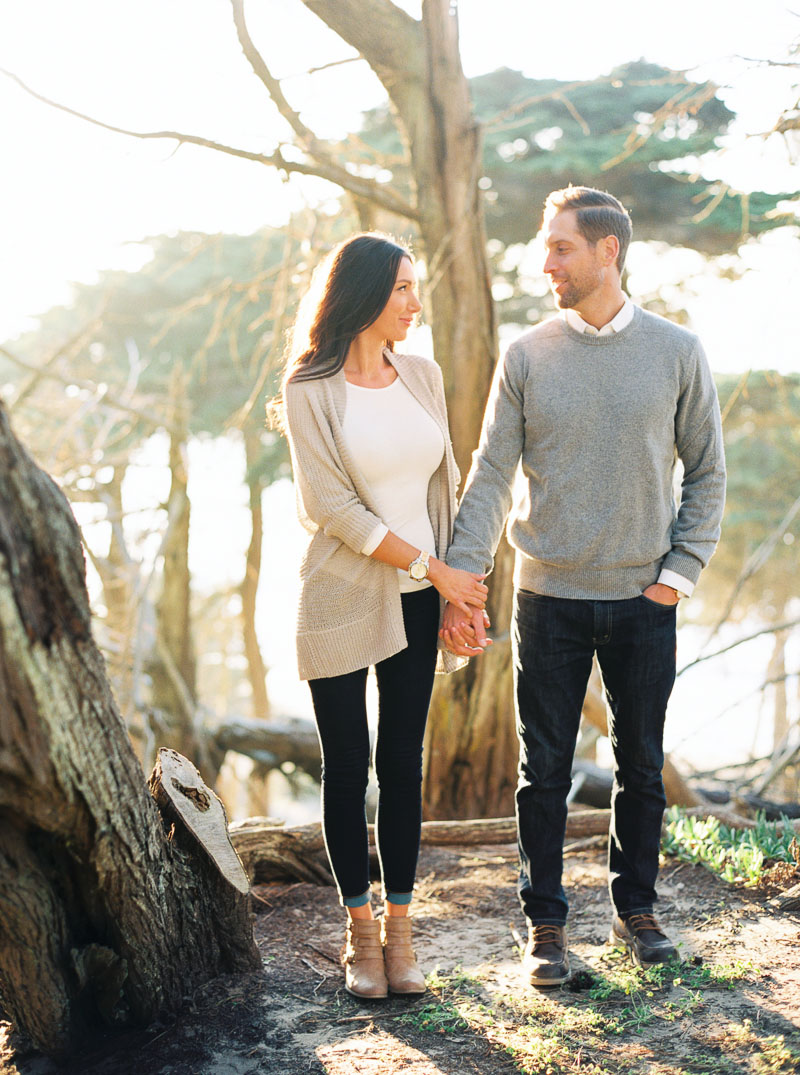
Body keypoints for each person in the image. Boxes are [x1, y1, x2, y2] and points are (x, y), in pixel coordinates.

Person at [441, 187, 726, 985]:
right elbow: (490, 473)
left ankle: (639, 906)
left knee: (640, 759)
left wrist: (678, 575)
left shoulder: (676, 350)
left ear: (609, 252)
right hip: (549, 597)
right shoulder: (528, 353)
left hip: (645, 596)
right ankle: (546, 925)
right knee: (546, 769)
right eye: (545, 246)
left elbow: (707, 472)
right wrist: (465, 578)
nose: (547, 262)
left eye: (561, 246)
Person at [275, 233, 488, 1000]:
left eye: (415, 287)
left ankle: (402, 931)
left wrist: (461, 592)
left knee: (402, 763)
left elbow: (448, 487)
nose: (414, 303)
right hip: (339, 595)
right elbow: (328, 506)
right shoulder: (310, 387)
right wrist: (430, 568)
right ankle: (358, 930)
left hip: (423, 598)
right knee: (347, 768)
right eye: (402, 288)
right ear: (363, 294)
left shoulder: (422, 375)